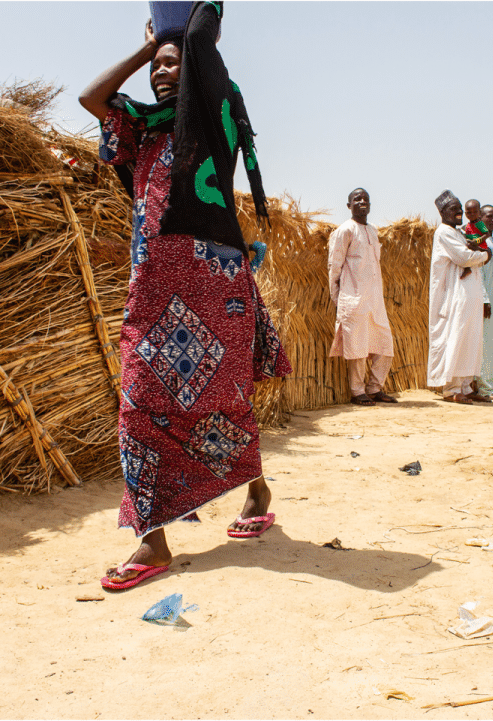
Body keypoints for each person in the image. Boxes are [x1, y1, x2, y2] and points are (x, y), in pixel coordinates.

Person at [79, 4, 292, 591]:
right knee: (138, 402)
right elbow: (91, 98)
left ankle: (256, 491)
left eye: (174, 64)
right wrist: (150, 49)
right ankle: (153, 539)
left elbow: (200, 43)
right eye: (156, 67)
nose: (161, 74)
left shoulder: (214, 117)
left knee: (224, 402)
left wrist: (186, 30)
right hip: (152, 286)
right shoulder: (140, 126)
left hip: (215, 284)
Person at [328, 188, 397, 406]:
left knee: (385, 344)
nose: (362, 201)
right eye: (357, 199)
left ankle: (375, 388)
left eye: (366, 198)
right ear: (349, 205)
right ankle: (357, 392)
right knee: (356, 348)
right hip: (353, 297)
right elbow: (334, 265)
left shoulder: (374, 231)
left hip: (375, 299)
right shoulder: (345, 230)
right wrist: (338, 298)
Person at [427, 190, 492, 404]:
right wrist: (486, 255)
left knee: (470, 340)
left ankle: (465, 386)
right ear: (443, 212)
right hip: (453, 296)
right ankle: (451, 389)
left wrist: (481, 254)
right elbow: (465, 257)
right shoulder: (444, 232)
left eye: (459, 208)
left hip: (469, 295)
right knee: (456, 339)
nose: (458, 212)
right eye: (453, 209)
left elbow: (477, 248)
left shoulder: (461, 232)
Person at [463, 202, 493, 400]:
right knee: (485, 343)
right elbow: (477, 271)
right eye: (488, 217)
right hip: (486, 300)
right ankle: (485, 388)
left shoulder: (491, 240)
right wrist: (484, 299)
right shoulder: (476, 238)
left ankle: (489, 386)